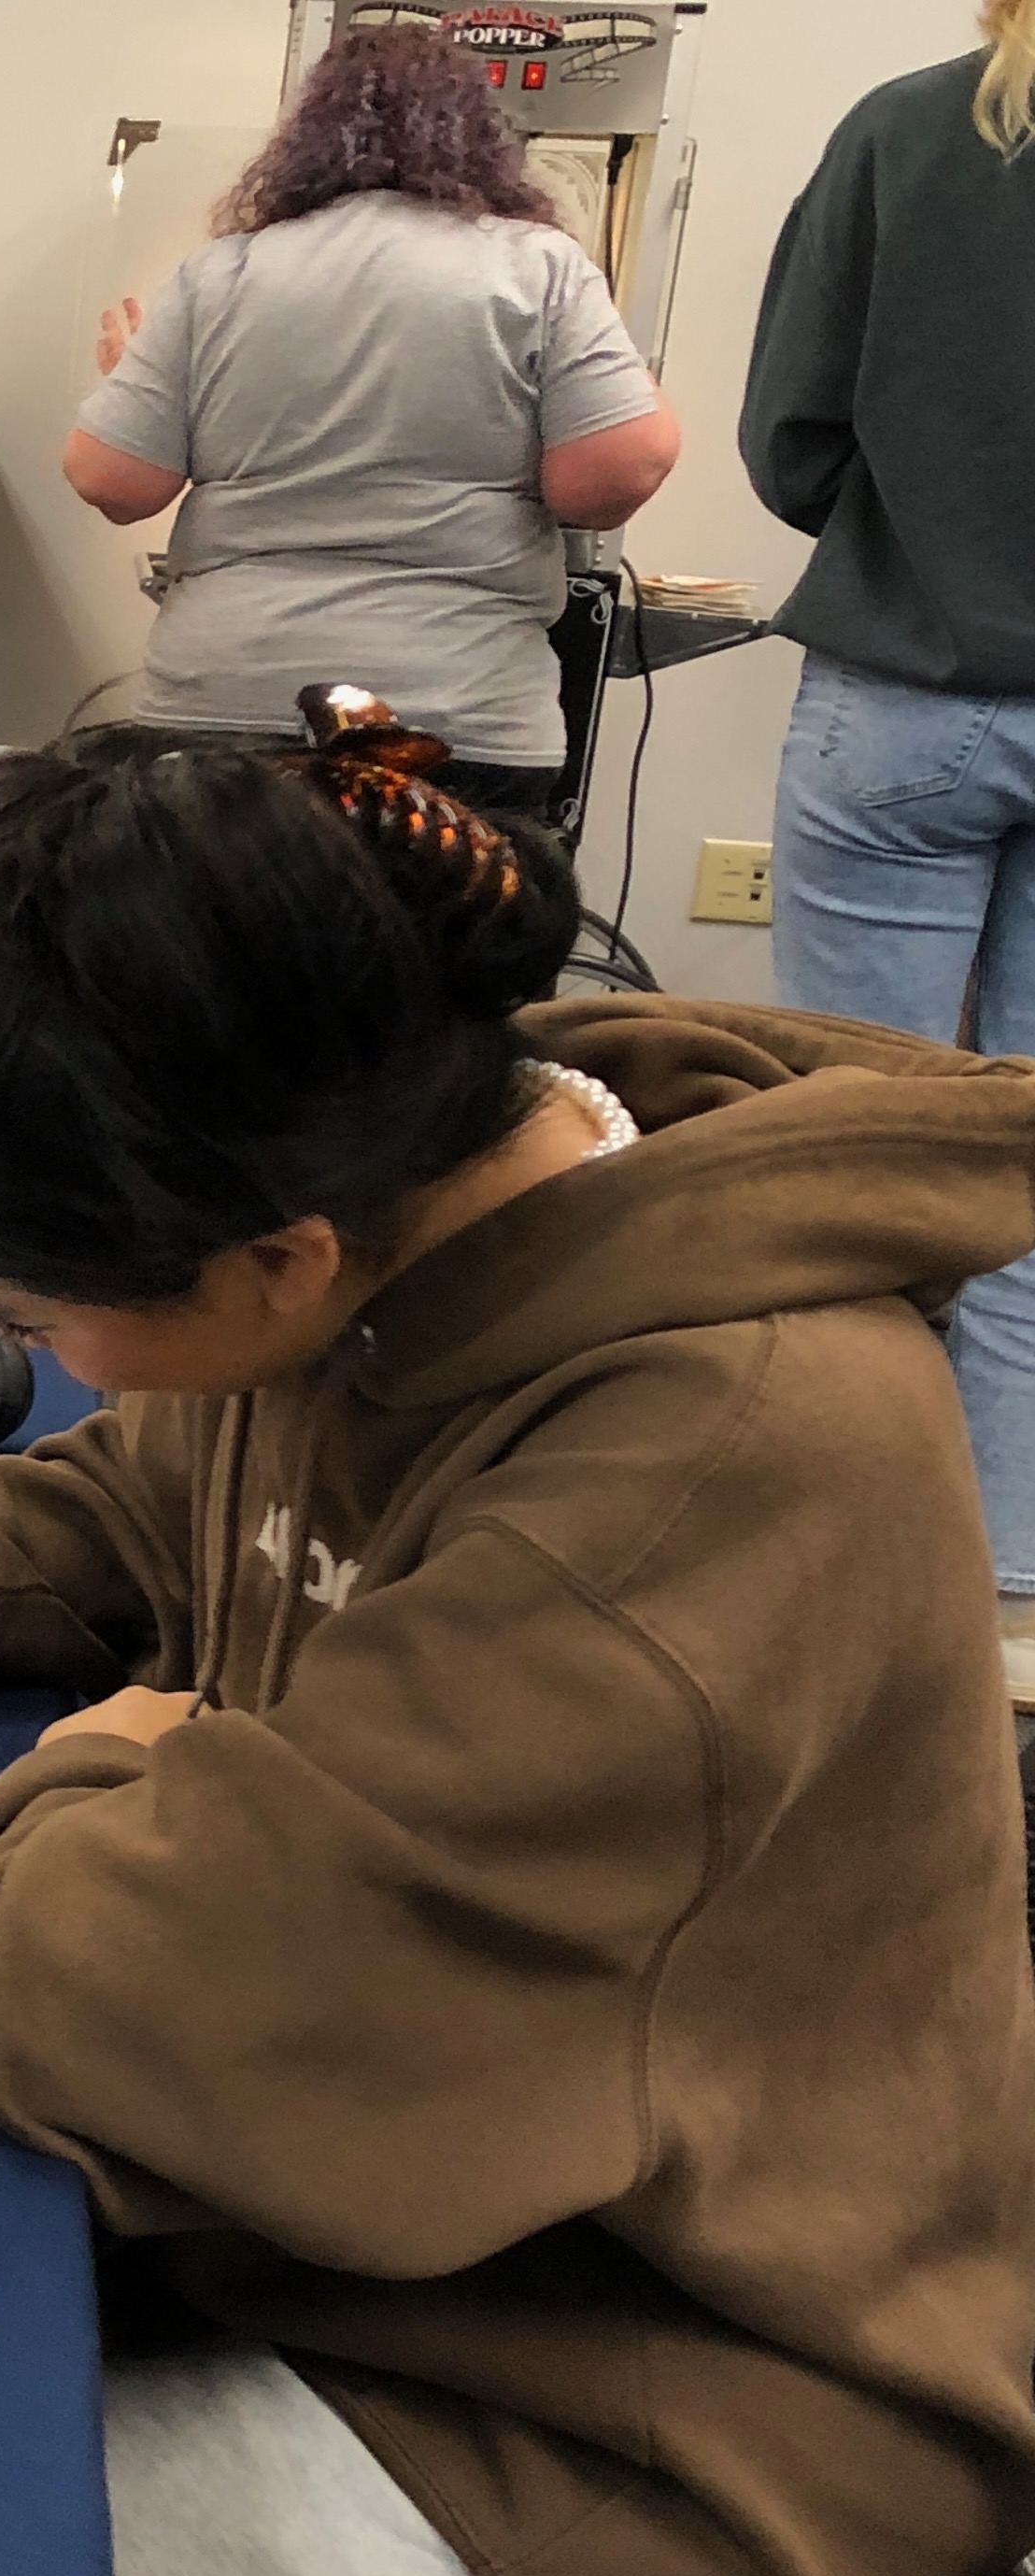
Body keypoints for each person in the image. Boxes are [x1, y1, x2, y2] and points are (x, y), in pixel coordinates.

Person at [0, 719, 1035, 2576]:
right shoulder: (421, 1207)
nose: (28, 1344)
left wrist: (93, 1785)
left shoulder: (685, 1480)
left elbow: (129, 2018)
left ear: (273, 1260)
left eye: (32, 1304)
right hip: (420, 2261)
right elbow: (153, 1480)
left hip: (654, 2455)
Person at [744, 6, 1035, 1703]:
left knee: (856, 1159)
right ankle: (994, 1595)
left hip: (900, 700)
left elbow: (792, 435)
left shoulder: (906, 129)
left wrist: (924, 528)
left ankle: (837, 1570)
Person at [67, 27, 682, 819]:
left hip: (229, 707)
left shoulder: (222, 273)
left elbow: (114, 481)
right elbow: (605, 485)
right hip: (461, 716)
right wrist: (638, 395)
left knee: (226, 944)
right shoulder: (537, 267)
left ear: (302, 142)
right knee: (438, 942)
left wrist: (141, 389)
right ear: (481, 138)